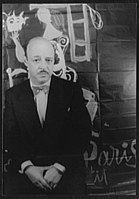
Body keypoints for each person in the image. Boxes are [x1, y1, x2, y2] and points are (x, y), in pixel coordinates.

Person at [3, 37, 92, 195]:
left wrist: (59, 167)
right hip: (26, 178)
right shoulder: (12, 95)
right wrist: (27, 167)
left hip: (67, 176)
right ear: (26, 61)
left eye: (49, 60)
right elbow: (10, 136)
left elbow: (82, 132)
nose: (43, 66)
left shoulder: (70, 90)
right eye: (36, 60)